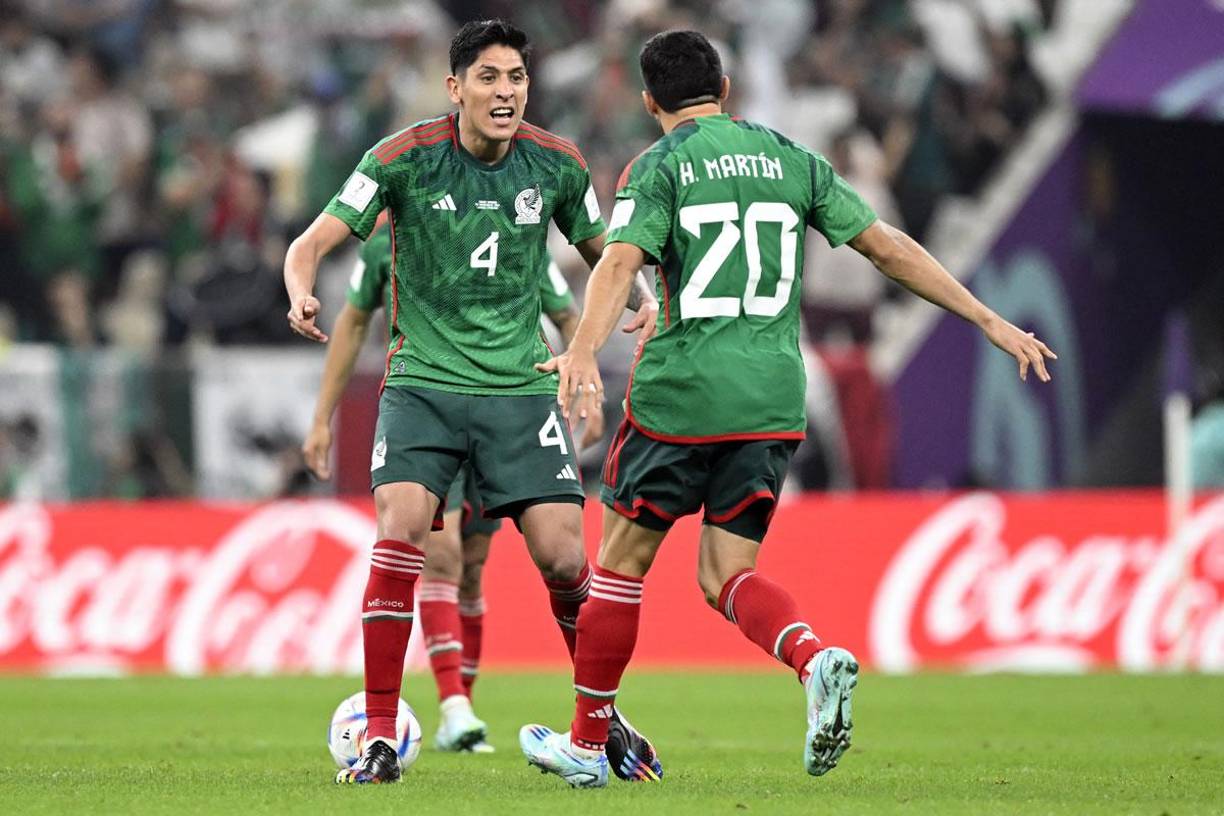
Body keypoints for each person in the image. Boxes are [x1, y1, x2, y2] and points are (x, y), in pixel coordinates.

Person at [520, 29, 1056, 788]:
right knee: (726, 573)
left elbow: (619, 261)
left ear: (648, 102)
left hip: (682, 392)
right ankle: (812, 659)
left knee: (620, 567)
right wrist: (987, 319)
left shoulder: (659, 164)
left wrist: (581, 352)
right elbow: (884, 245)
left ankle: (583, 743)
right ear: (726, 89)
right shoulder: (788, 158)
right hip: (772, 398)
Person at [282, 20, 662, 785]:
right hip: (422, 386)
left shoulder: (557, 164)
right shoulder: (401, 158)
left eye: (516, 78)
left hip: (519, 391)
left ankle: (602, 718)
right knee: (402, 531)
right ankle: (381, 738)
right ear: (455, 88)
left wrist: (639, 294)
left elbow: (601, 250)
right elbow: (310, 242)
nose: (505, 93)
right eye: (489, 78)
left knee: (563, 556)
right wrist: (297, 286)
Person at [302, 218, 604, 753]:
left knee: (475, 568)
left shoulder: (514, 233)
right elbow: (350, 324)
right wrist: (323, 415)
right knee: (438, 556)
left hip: (507, 402)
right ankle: (453, 705)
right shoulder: (385, 247)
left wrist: (586, 382)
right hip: (430, 403)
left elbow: (568, 310)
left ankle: (466, 704)